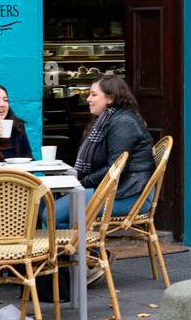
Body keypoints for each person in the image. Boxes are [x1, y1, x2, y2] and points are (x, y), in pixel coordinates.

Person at [56, 75, 157, 229]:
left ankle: (89, 250)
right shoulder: (107, 120)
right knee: (46, 202)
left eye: (93, 94)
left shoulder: (123, 122)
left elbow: (115, 169)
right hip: (118, 190)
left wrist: (81, 183)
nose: (88, 99)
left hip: (130, 195)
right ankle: (84, 250)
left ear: (110, 98)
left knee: (52, 213)